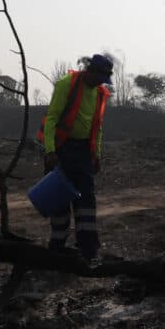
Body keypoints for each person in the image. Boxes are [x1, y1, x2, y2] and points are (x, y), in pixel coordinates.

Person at [38, 54, 113, 262]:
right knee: (59, 198)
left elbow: (97, 127)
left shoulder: (100, 94)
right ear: (91, 70)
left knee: (86, 200)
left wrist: (96, 154)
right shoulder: (66, 85)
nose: (101, 82)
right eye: (100, 77)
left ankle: (88, 248)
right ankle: (57, 246)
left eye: (104, 79)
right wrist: (50, 151)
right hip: (62, 149)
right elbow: (52, 118)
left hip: (83, 153)